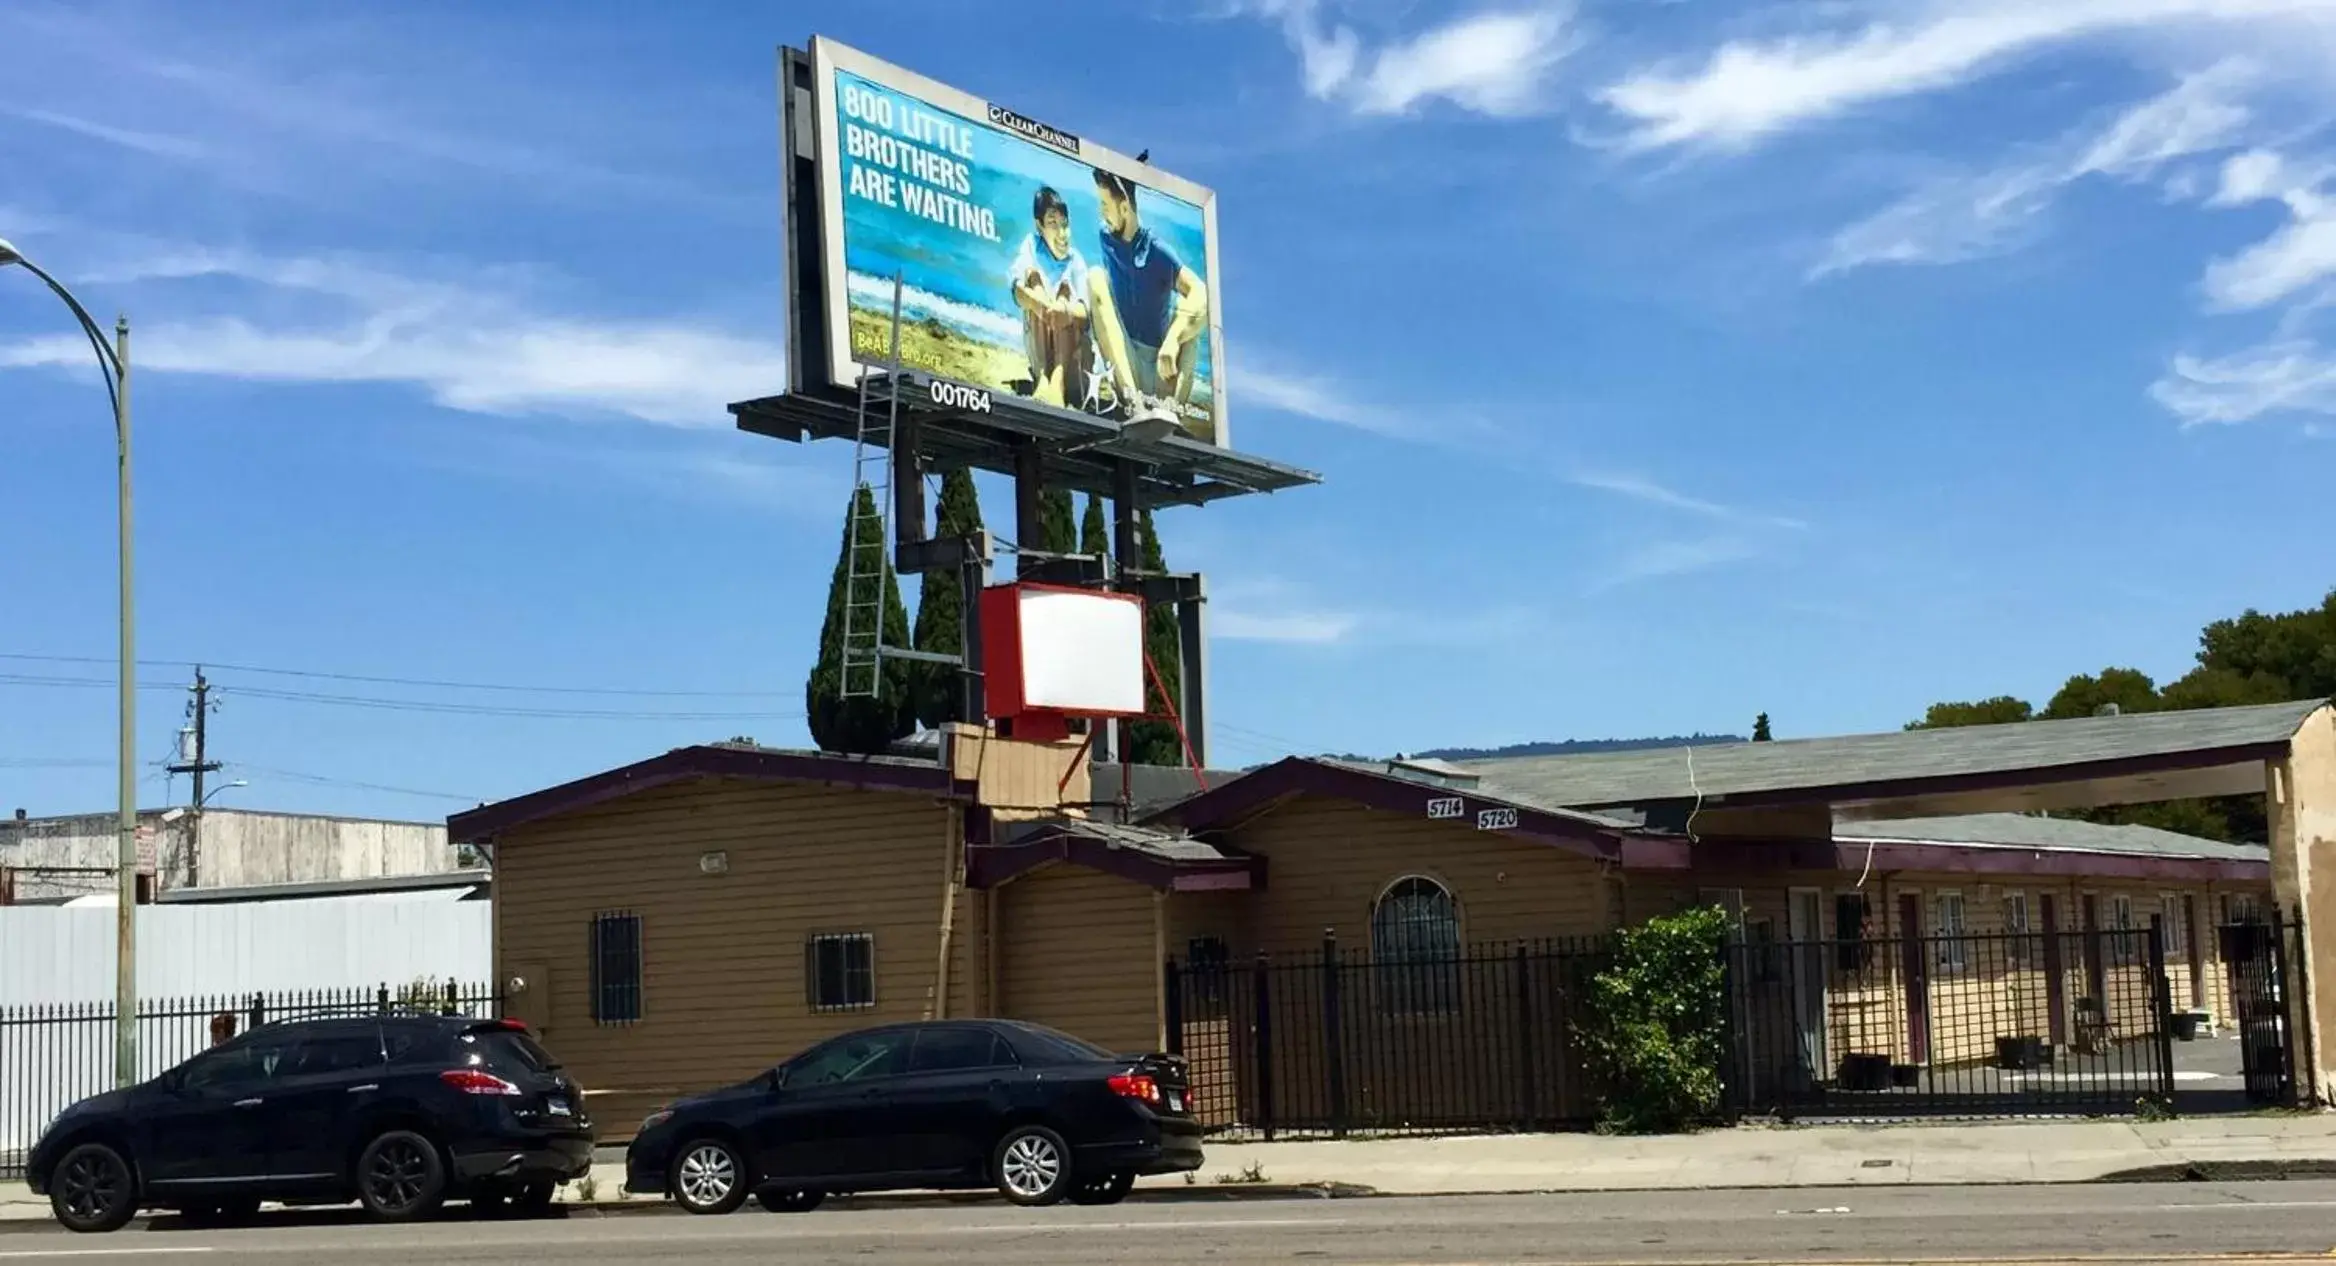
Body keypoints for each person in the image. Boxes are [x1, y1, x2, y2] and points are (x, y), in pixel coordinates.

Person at [1086, 168, 1209, 424]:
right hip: (1126, 368)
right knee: (1095, 277)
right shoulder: (1105, 237)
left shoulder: (1157, 251)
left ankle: (1175, 411)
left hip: (1162, 372)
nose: (1101, 213)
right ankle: (1134, 405)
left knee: (1193, 306)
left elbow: (1200, 291)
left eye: (1105, 205)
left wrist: (1173, 340)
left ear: (1124, 209)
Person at [1006, 185, 1091, 407]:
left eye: (1063, 223)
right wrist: (1043, 305)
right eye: (1052, 223)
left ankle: (1058, 380)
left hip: (1073, 361)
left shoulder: (1076, 260)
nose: (1059, 230)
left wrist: (1064, 311)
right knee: (1033, 278)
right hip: (1040, 347)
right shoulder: (1031, 245)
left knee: (1065, 290)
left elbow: (1086, 314)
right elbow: (1017, 289)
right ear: (1039, 225)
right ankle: (1043, 378)